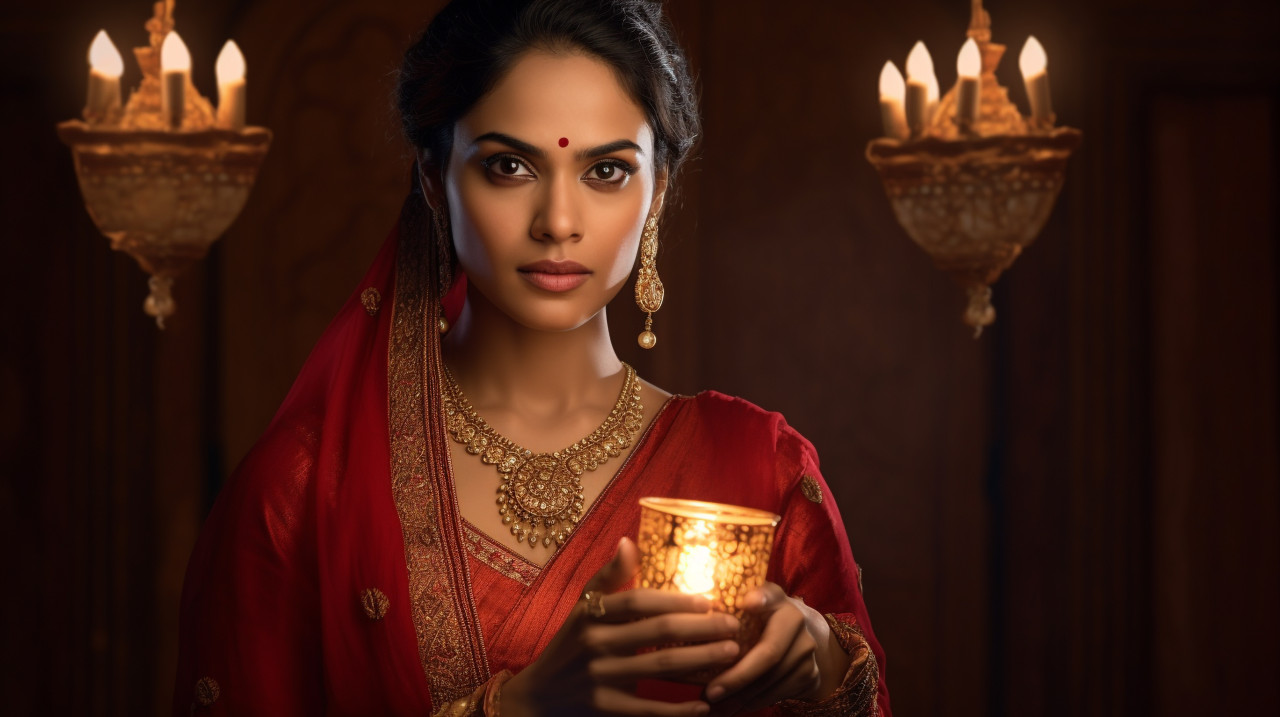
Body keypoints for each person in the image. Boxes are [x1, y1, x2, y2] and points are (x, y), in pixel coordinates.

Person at [173, 1, 890, 715]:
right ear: (433, 179)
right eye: (510, 165)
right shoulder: (305, 488)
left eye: (605, 170)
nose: (558, 222)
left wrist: (826, 662)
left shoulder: (756, 468)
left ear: (659, 190)